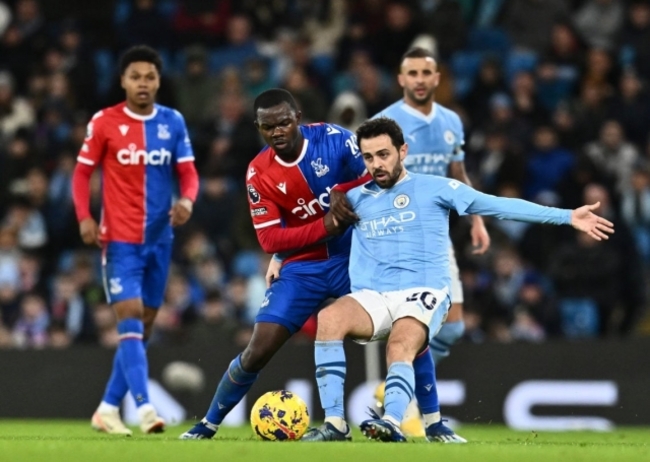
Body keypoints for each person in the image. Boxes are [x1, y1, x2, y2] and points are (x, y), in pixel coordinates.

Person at [309, 117, 614, 442]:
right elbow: (316, 234)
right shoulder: (355, 199)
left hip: (423, 292)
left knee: (401, 343)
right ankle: (336, 425)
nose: (376, 165)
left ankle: (392, 422)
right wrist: (280, 258)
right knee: (329, 318)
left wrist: (566, 216)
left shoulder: (436, 187)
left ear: (403, 151)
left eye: (383, 155)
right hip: (375, 296)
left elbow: (498, 206)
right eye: (368, 158)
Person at [179, 88, 367, 439]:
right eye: (268, 127)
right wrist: (324, 225)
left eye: (283, 122)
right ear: (258, 128)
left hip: (353, 259)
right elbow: (269, 239)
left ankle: (428, 420)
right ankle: (208, 424)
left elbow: (375, 181)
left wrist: (346, 188)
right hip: (303, 268)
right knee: (258, 348)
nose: (277, 131)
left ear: (297, 117)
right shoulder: (258, 173)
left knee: (404, 325)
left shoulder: (336, 140)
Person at [330, 46, 487, 435]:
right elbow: (360, 172)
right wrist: (338, 192)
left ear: (437, 79)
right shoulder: (385, 120)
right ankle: (417, 407)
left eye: (425, 72)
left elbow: (457, 173)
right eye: (411, 72)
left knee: (450, 329)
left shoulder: (451, 121)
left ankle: (402, 384)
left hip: (434, 237)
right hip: (392, 237)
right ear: (401, 79)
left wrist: (476, 219)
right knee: (412, 326)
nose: (419, 79)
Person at [72, 45, 199, 435]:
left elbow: (189, 175)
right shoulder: (105, 122)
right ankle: (145, 409)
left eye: (149, 77)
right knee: (128, 318)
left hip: (160, 240)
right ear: (123, 80)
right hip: (120, 240)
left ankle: (107, 408)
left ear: (159, 81)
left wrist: (187, 202)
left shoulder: (173, 122)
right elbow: (81, 175)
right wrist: (85, 217)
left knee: (140, 329)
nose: (143, 83)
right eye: (135, 76)